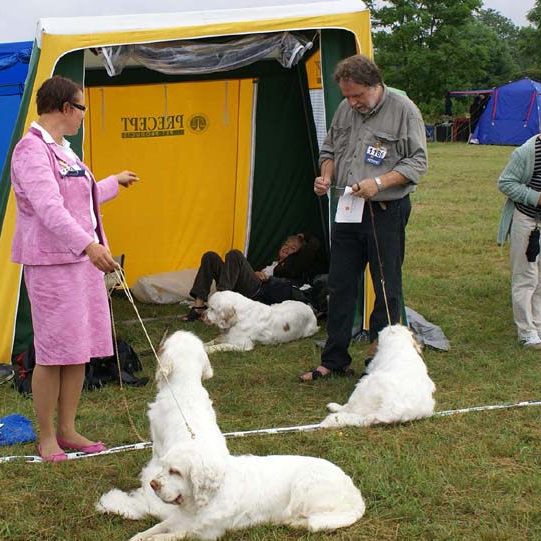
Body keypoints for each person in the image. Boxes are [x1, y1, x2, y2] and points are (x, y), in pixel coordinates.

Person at [10, 75, 139, 462]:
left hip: (81, 264)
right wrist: (88, 244)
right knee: (52, 353)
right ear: (65, 108)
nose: (84, 115)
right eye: (81, 107)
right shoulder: (31, 151)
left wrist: (112, 183)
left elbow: (80, 199)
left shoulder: (65, 150)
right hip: (52, 264)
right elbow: (49, 208)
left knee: (78, 348)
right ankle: (47, 435)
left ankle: (68, 427)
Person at [300, 54, 427, 382]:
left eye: (358, 95)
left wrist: (380, 182)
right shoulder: (345, 110)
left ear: (375, 85)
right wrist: (325, 176)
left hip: (386, 210)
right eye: (347, 96)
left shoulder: (404, 111)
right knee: (340, 284)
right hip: (347, 209)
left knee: (386, 285)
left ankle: (382, 359)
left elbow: (417, 163)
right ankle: (334, 360)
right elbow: (329, 150)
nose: (352, 102)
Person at [497, 103, 541, 349]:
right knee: (526, 276)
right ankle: (526, 331)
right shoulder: (527, 151)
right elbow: (505, 182)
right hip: (527, 222)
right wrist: (537, 197)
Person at [182, 232, 320, 321]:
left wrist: (304, 236)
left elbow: (313, 247)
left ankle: (221, 305)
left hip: (259, 292)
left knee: (234, 254)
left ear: (297, 254)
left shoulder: (292, 266)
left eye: (292, 248)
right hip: (241, 286)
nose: (287, 248)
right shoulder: (270, 263)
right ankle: (198, 305)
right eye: (286, 245)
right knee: (210, 256)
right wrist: (254, 273)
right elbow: (247, 273)